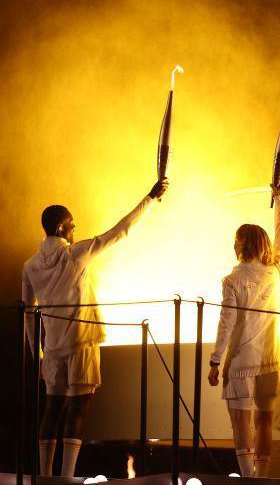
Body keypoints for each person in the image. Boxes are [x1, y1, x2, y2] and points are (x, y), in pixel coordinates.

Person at [22, 179, 169, 477]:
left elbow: (27, 313)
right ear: (62, 229)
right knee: (77, 408)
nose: (75, 230)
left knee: (52, 408)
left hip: (51, 348)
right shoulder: (74, 255)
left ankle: (45, 475)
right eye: (72, 225)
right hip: (81, 342)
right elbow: (120, 232)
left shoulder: (30, 266)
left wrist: (36, 352)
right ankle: (65, 477)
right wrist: (150, 198)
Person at [208, 177, 280, 478]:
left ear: (240, 245)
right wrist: (278, 199)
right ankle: (262, 479)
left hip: (242, 359)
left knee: (241, 422)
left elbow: (225, 322)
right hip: (270, 358)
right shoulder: (274, 273)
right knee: (264, 418)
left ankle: (248, 479)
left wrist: (216, 361)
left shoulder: (232, 280)